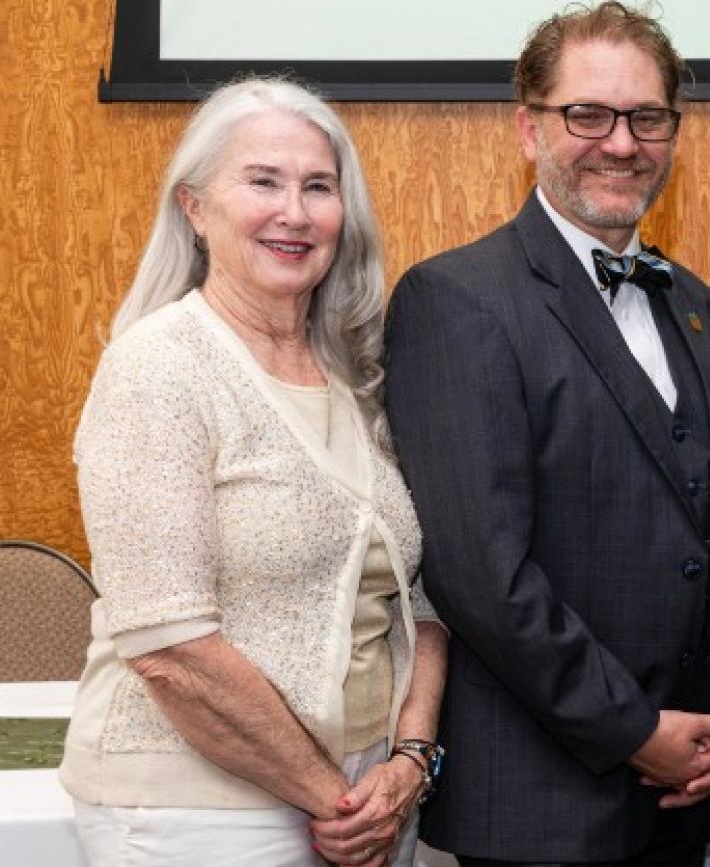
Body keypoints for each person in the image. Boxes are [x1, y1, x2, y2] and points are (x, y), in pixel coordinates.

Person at [382, 1, 710, 867]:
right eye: (588, 115)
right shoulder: (456, 301)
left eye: (647, 118)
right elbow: (481, 576)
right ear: (529, 129)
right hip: (539, 810)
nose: (622, 143)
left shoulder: (699, 308)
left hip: (681, 796)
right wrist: (634, 731)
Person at [62, 77, 449, 867]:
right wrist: (331, 797)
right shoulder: (159, 368)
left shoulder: (360, 381)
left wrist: (410, 761)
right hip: (194, 814)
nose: (294, 213)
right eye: (263, 182)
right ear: (194, 208)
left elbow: (417, 602)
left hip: (370, 798)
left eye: (319, 187)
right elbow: (168, 644)